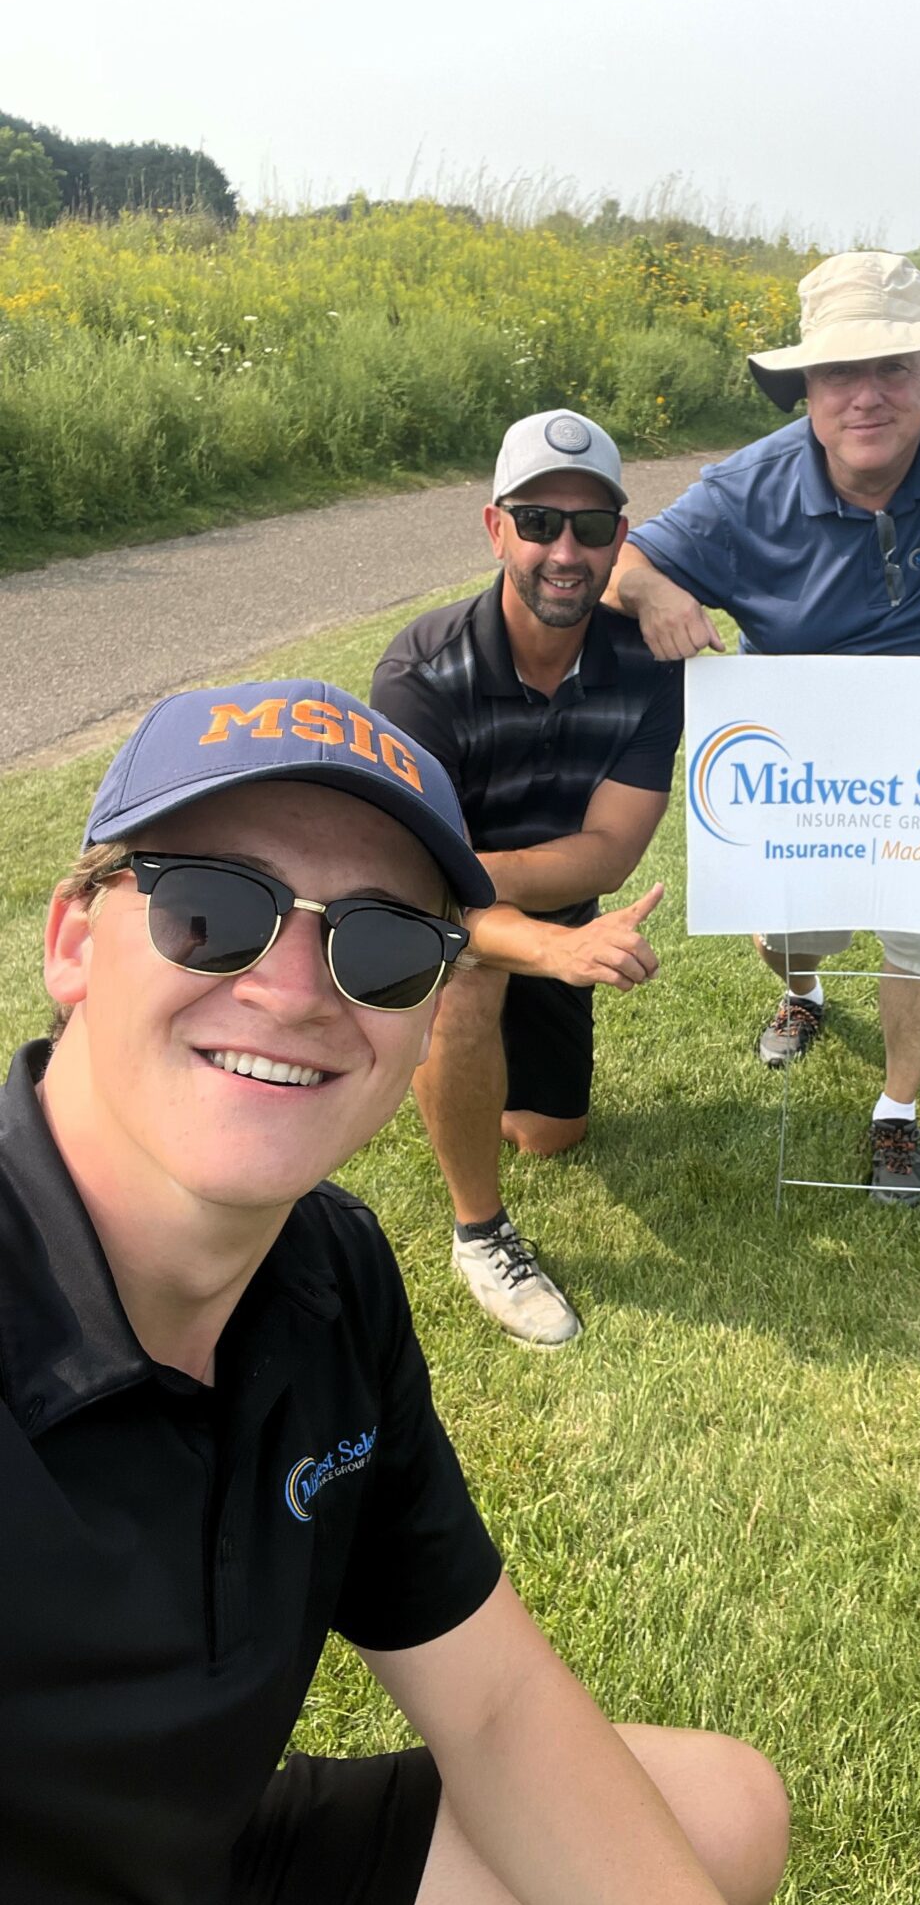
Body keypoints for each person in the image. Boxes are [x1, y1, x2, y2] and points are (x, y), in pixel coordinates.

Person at [0, 678, 787, 1905]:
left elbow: (490, 1706)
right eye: (214, 908)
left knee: (721, 1811)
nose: (299, 989)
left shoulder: (330, 1273)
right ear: (76, 943)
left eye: (380, 941)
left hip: (200, 1863)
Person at [606, 250, 920, 1206]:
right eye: (839, 373)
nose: (866, 396)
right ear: (806, 388)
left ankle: (898, 1115)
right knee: (790, 932)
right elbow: (624, 562)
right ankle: (804, 990)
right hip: (800, 766)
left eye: (894, 368)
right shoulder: (747, 489)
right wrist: (655, 589)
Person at [371, 411, 682, 1346]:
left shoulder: (647, 671)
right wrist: (536, 939)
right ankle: (480, 1235)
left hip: (538, 913)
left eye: (591, 528)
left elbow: (610, 851)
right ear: (495, 527)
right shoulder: (421, 671)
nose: (564, 549)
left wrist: (477, 887)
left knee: (553, 1135)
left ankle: (443, 1071)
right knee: (468, 982)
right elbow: (423, 890)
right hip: (458, 931)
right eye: (539, 520)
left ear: (619, 541)